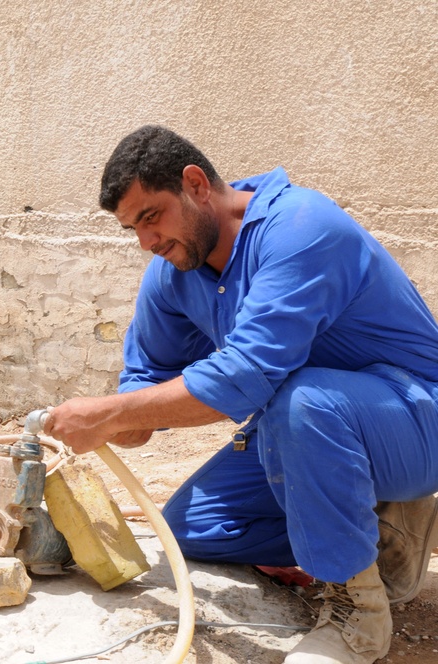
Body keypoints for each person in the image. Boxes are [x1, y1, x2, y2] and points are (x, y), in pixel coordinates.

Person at [42, 125, 438, 664]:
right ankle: (386, 527)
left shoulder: (302, 227)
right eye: (132, 228)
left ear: (195, 184)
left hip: (415, 419)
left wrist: (110, 414)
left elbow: (246, 376)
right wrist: (126, 418)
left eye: (151, 216)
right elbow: (148, 374)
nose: (146, 242)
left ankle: (357, 619)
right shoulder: (174, 271)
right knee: (191, 530)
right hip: (304, 428)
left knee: (300, 400)